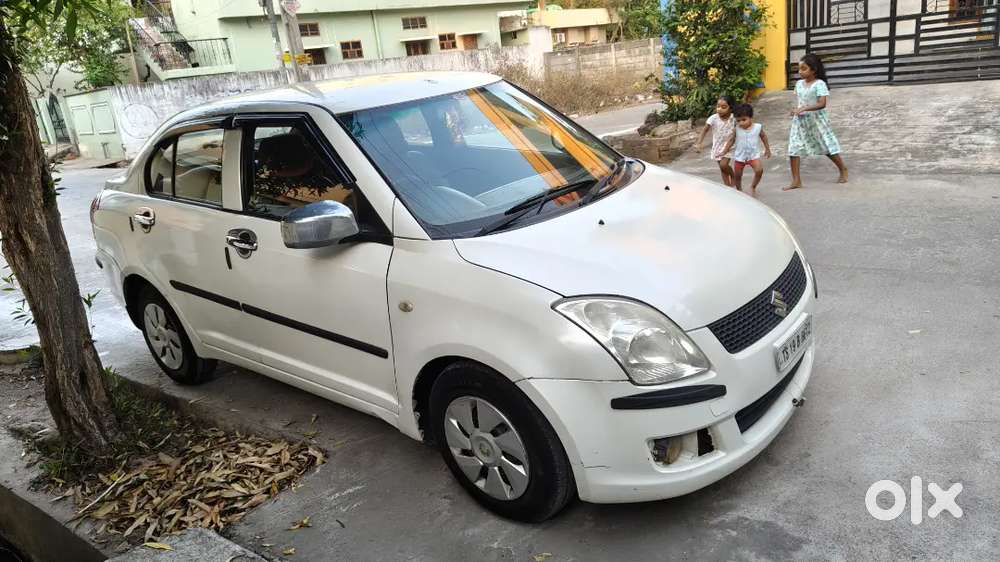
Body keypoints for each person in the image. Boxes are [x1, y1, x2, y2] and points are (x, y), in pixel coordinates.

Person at [785, 53, 848, 191]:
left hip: (817, 121)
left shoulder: (819, 84)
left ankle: (843, 169)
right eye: (799, 69)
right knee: (793, 148)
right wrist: (795, 110)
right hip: (800, 122)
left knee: (826, 147)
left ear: (813, 70)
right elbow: (800, 101)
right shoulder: (799, 84)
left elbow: (822, 104)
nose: (800, 72)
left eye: (804, 68)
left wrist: (805, 108)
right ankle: (796, 180)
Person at [722, 103, 771, 196]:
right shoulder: (736, 129)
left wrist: (767, 149)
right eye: (738, 120)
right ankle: (739, 190)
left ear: (751, 117)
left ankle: (753, 186)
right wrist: (725, 150)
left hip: (753, 155)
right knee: (737, 175)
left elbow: (763, 137)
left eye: (744, 120)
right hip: (740, 157)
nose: (741, 123)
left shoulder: (758, 127)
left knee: (759, 170)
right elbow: (731, 140)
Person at [694, 96, 736, 186]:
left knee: (723, 165)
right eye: (718, 106)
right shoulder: (713, 118)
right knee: (722, 169)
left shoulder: (734, 119)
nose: (719, 109)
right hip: (717, 146)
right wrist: (699, 143)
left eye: (724, 107)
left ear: (731, 108)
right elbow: (704, 130)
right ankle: (728, 188)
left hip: (729, 146)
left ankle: (733, 175)